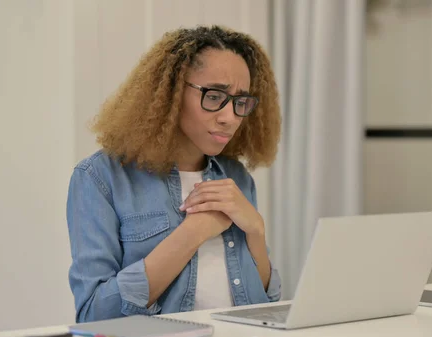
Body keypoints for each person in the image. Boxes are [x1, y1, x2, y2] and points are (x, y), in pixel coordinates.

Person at [66, 25, 282, 323]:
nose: (230, 118)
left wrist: (256, 231)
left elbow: (263, 309)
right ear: (172, 91)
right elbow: (94, 314)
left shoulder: (237, 178)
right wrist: (194, 232)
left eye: (240, 102)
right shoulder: (100, 178)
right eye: (214, 95)